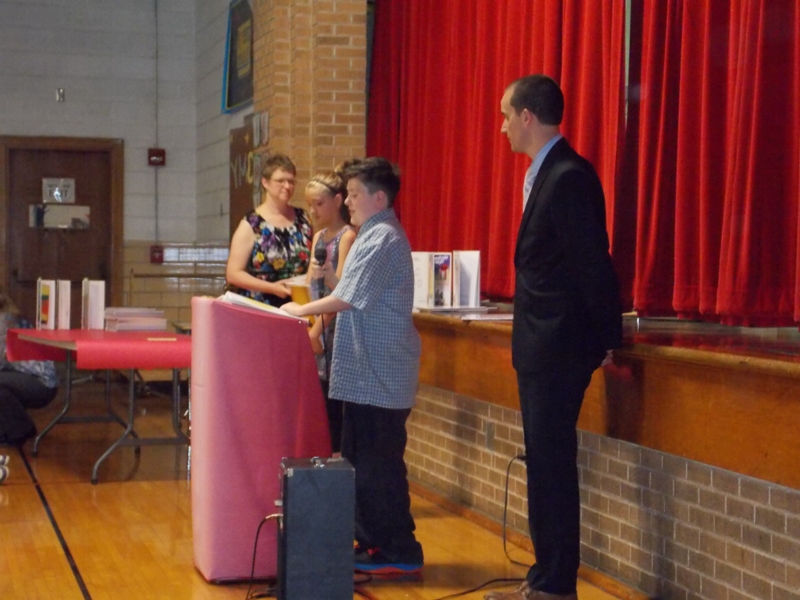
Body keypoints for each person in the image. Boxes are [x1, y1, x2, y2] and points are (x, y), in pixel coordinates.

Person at [486, 75, 622, 600]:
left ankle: (556, 584)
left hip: (558, 345)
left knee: (551, 466)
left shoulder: (567, 176)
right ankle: (544, 578)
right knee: (543, 465)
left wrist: (608, 337)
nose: (502, 127)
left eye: (506, 116)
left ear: (527, 117)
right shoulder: (545, 172)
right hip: (542, 344)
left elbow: (592, 263)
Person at [282, 157, 424, 574]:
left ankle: (399, 548)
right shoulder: (369, 234)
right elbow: (349, 288)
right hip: (364, 376)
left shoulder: (384, 237)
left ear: (379, 198)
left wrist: (299, 311)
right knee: (360, 464)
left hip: (380, 377)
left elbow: (349, 298)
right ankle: (372, 543)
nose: (347, 201)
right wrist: (327, 277)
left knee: (380, 468)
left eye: (355, 194)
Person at [304, 166, 356, 453]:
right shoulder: (319, 237)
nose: (313, 211)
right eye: (310, 205)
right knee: (320, 404)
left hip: (335, 330)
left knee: (335, 406)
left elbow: (341, 292)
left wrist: (316, 330)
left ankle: (336, 459)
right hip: (318, 325)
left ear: (337, 201)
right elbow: (311, 284)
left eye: (319, 204)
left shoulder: (347, 236)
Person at [225, 153, 312, 306]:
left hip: (298, 304)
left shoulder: (303, 218)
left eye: (291, 181)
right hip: (262, 304)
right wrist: (272, 288)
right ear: (265, 182)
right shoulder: (251, 224)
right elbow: (233, 274)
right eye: (280, 181)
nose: (287, 186)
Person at [0, 290, 59, 456]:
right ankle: (20, 426)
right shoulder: (8, 316)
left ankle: (19, 430)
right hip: (30, 378)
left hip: (42, 383)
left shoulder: (4, 322)